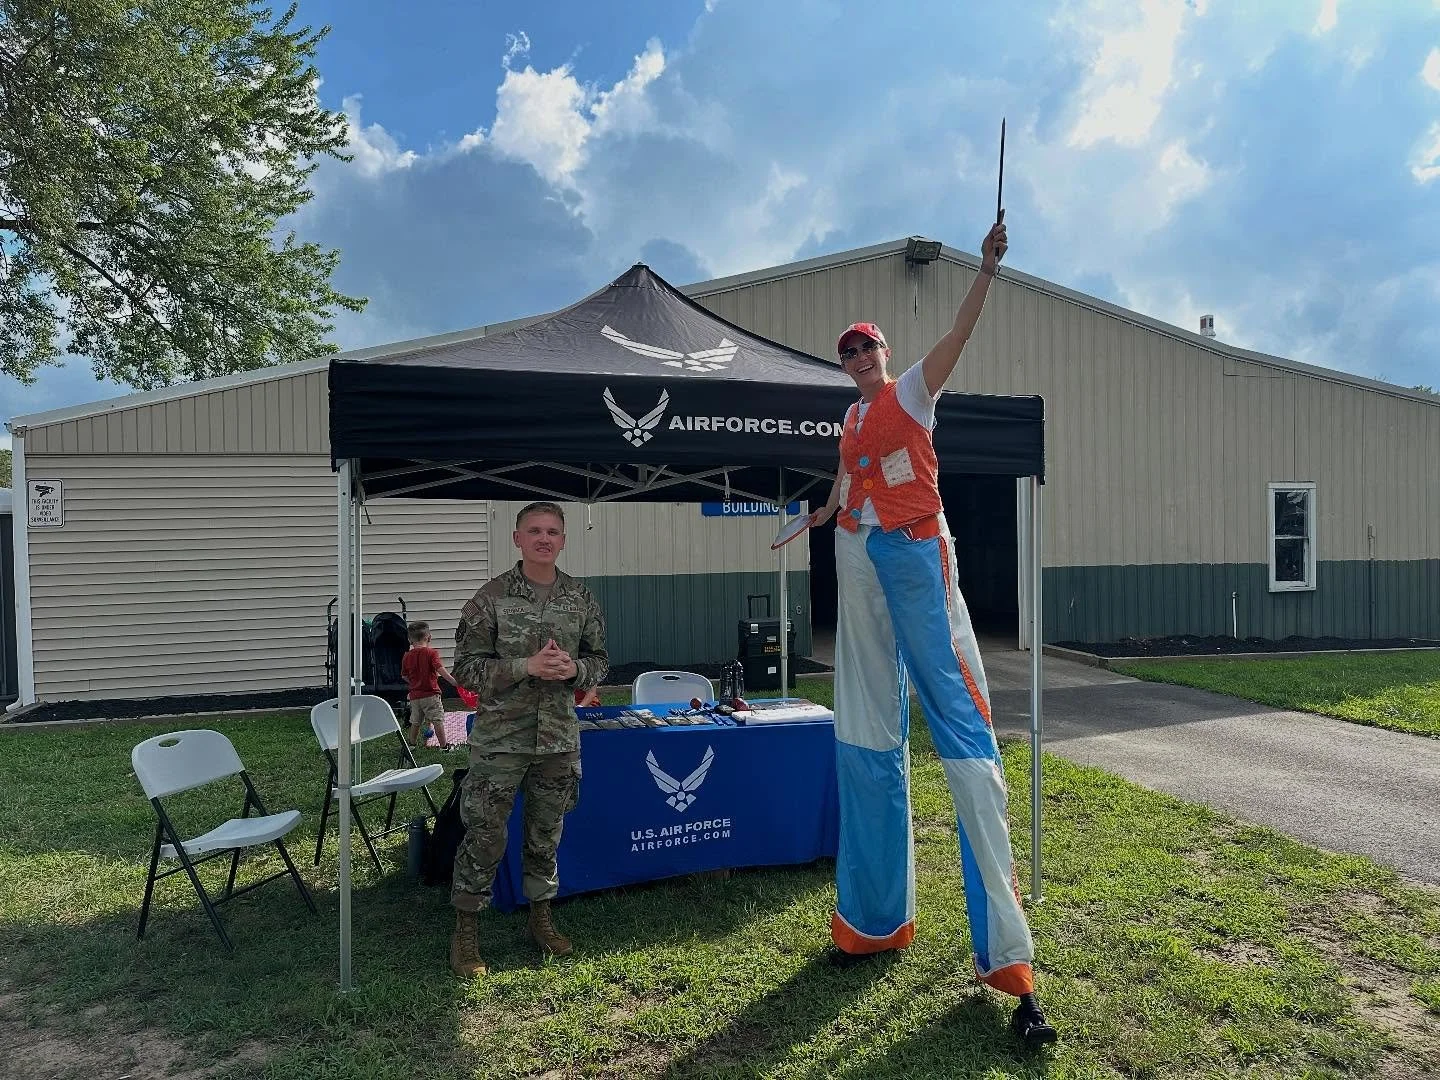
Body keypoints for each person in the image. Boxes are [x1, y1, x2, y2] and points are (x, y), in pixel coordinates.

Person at [811, 213, 1058, 1048]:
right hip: (862, 556)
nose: (858, 358)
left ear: (884, 352)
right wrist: (827, 510)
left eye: (866, 347)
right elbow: (847, 482)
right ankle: (872, 922)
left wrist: (985, 268)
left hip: (919, 556)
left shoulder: (913, 390)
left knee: (964, 743)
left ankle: (1010, 965)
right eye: (848, 352)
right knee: (866, 732)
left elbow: (960, 333)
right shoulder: (849, 422)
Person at [447, 501, 609, 978]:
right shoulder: (490, 598)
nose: (544, 538)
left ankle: (541, 918)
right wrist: (526, 666)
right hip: (501, 740)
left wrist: (575, 670)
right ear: (517, 539)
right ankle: (466, 931)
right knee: (484, 835)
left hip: (557, 739)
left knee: (545, 833)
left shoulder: (580, 598)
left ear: (563, 541)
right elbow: (465, 671)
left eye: (552, 532)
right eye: (534, 531)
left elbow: (600, 660)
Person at [401, 621, 457, 751]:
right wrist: (453, 681)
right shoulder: (431, 653)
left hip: (415, 696)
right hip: (431, 695)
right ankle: (444, 747)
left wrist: (414, 684)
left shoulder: (406, 656)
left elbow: (404, 676)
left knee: (415, 722)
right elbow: (440, 669)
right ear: (429, 637)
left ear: (409, 640)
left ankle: (411, 745)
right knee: (437, 720)